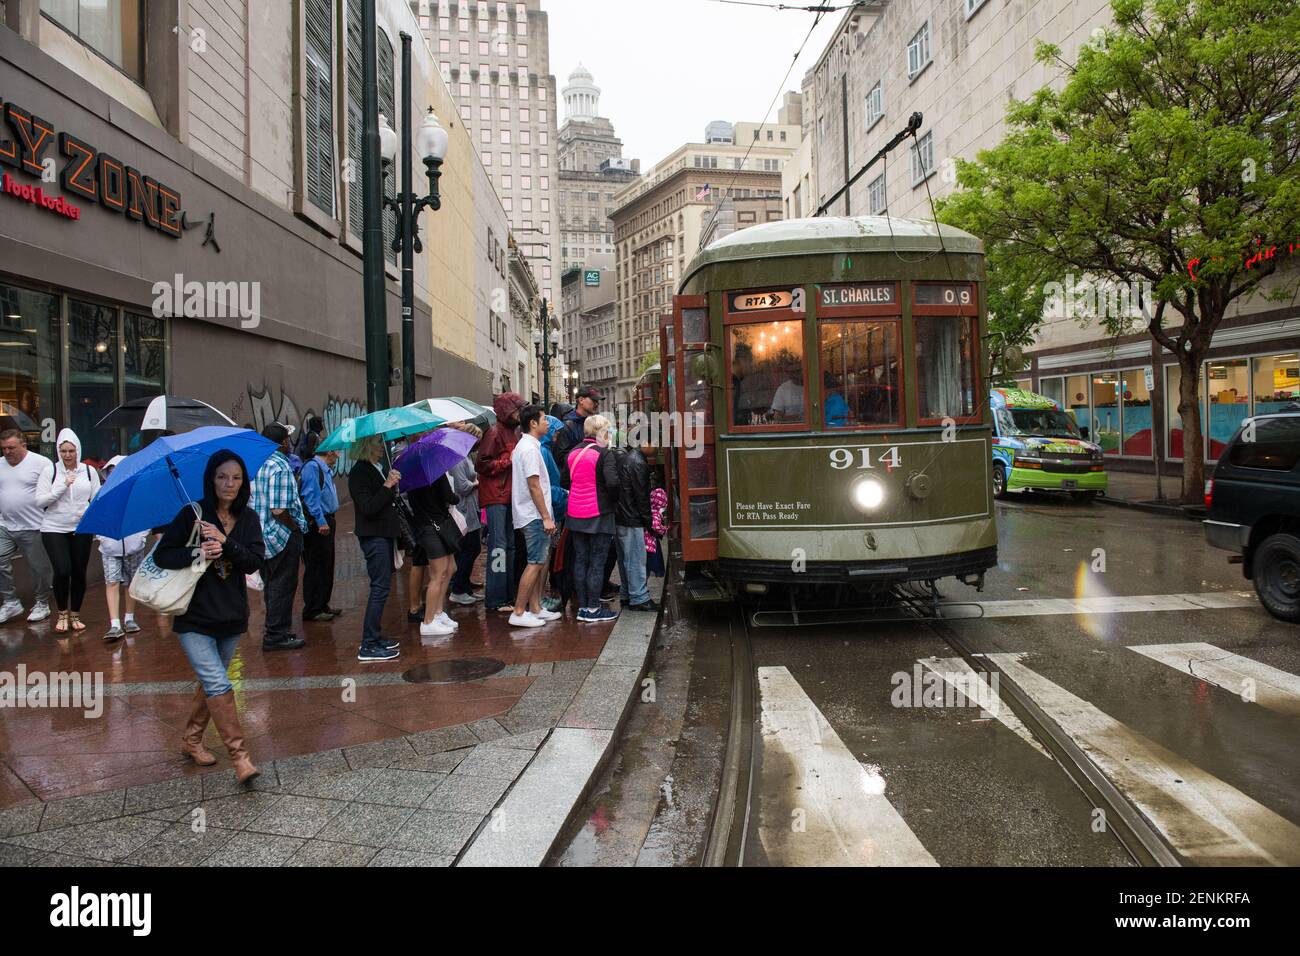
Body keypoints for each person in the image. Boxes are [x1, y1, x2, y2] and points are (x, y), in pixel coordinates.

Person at [153, 450, 265, 783]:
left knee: (209, 682)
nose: (229, 484)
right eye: (221, 477)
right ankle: (240, 757)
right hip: (194, 617)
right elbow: (162, 556)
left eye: (236, 477)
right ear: (210, 479)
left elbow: (253, 562)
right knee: (218, 681)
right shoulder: (193, 513)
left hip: (231, 616)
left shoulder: (248, 519)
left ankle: (191, 739)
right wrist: (197, 551)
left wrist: (226, 544)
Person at [250, 423, 307, 651]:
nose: (289, 444)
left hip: (261, 535)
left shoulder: (255, 463)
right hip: (279, 535)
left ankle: (275, 630)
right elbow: (278, 509)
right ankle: (276, 634)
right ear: (283, 442)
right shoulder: (279, 466)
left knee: (271, 584)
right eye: (287, 439)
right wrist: (293, 528)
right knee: (283, 585)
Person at [37, 428, 100, 633]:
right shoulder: (51, 471)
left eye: (71, 451)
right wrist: (62, 485)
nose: (67, 455)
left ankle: (75, 615)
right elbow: (40, 501)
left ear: (78, 450)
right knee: (63, 570)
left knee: (79, 571)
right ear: (58, 451)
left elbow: (97, 498)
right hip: (54, 527)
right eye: (63, 451)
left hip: (81, 528)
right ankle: (62, 613)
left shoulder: (89, 471)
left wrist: (88, 512)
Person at [561, 415, 621, 624]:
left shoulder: (573, 453)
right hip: (599, 514)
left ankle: (583, 607)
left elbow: (564, 480)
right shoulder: (605, 454)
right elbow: (613, 483)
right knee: (597, 561)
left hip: (575, 512)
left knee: (580, 560)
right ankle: (594, 608)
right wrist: (612, 502)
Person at [348, 435, 403, 662]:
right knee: (379, 588)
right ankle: (368, 643)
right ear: (367, 446)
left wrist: (390, 487)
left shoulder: (376, 468)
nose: (383, 448)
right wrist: (387, 485)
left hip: (384, 534)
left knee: (383, 586)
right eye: (378, 444)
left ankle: (375, 635)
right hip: (374, 536)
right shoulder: (359, 472)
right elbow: (368, 507)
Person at [510, 406, 560, 628]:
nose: (547, 423)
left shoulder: (528, 446)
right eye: (543, 419)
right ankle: (519, 612)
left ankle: (535, 608)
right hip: (533, 515)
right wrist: (546, 516)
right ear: (532, 423)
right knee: (535, 562)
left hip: (530, 513)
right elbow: (534, 485)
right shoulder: (529, 449)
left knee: (537, 562)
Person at [477, 392, 525, 612]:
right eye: (516, 409)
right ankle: (496, 598)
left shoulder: (511, 432)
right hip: (497, 496)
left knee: (509, 547)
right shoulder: (494, 432)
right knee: (499, 547)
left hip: (507, 495)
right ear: (507, 410)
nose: (519, 414)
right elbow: (483, 464)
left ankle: (505, 596)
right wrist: (507, 461)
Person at [0, 429, 54, 625]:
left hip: (34, 525)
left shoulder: (41, 463)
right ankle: (10, 601)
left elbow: (51, 494)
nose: (7, 452)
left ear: (23, 445)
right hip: (5, 525)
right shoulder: (0, 464)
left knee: (39, 568)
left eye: (11, 448)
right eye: (4, 448)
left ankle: (42, 602)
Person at [95, 455, 149, 642]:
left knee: (131, 583)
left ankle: (129, 617)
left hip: (134, 546)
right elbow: (97, 519)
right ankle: (115, 623)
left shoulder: (139, 494)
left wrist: (141, 538)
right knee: (112, 582)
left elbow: (146, 518)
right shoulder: (102, 494)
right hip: (110, 547)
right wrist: (103, 539)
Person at [410, 464, 461, 638]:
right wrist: (455, 497)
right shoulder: (436, 471)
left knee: (448, 568)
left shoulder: (413, 474)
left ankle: (437, 612)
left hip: (427, 525)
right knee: (438, 574)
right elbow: (450, 496)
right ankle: (428, 621)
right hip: (434, 527)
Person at [615, 441, 658, 612]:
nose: (656, 447)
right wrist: (649, 523)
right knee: (635, 559)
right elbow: (642, 498)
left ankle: (627, 594)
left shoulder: (629, 458)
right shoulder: (638, 462)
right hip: (631, 518)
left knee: (625, 559)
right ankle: (639, 597)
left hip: (621, 516)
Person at [300, 448, 341, 623]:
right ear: (329, 452)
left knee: (326, 563)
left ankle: (323, 603)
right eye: (337, 452)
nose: (338, 456)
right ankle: (313, 607)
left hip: (327, 520)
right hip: (318, 524)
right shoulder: (312, 468)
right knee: (316, 565)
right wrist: (320, 520)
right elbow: (310, 497)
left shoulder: (325, 470)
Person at [448, 423, 484, 606]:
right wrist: (476, 483)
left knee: (470, 548)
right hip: (464, 509)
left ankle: (464, 585)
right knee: (470, 548)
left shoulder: (465, 455)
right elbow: (461, 486)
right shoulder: (458, 458)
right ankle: (458, 588)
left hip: (470, 507)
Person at [539, 416, 570, 614]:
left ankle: (541, 597)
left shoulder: (546, 449)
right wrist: (563, 494)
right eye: (555, 432)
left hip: (552, 507)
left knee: (546, 556)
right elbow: (542, 486)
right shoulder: (542, 451)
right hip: (548, 509)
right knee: (541, 558)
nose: (557, 435)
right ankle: (539, 598)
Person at [554, 387, 602, 462]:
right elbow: (562, 457)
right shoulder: (567, 426)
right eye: (594, 400)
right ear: (581, 400)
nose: (597, 404)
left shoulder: (595, 423)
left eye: (597, 401)